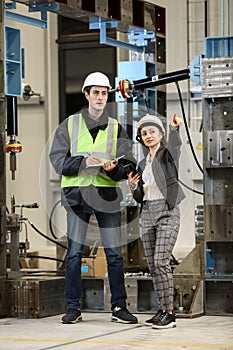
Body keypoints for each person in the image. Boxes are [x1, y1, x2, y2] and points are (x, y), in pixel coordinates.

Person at [49, 72, 138, 324]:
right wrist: (82, 162)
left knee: (114, 255)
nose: (100, 97)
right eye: (96, 92)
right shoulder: (69, 125)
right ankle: (73, 307)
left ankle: (119, 307)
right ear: (86, 94)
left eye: (104, 93)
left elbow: (128, 163)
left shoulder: (116, 127)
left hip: (106, 195)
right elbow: (57, 161)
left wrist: (115, 170)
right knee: (75, 253)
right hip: (77, 197)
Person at [128, 113, 185, 329]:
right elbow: (140, 197)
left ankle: (169, 313)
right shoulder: (143, 163)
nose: (148, 135)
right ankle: (161, 309)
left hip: (167, 211)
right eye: (144, 133)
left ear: (161, 134)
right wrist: (133, 187)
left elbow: (176, 146)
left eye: (152, 131)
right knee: (153, 265)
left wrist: (174, 129)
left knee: (161, 261)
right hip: (147, 213)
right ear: (141, 139)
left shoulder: (166, 155)